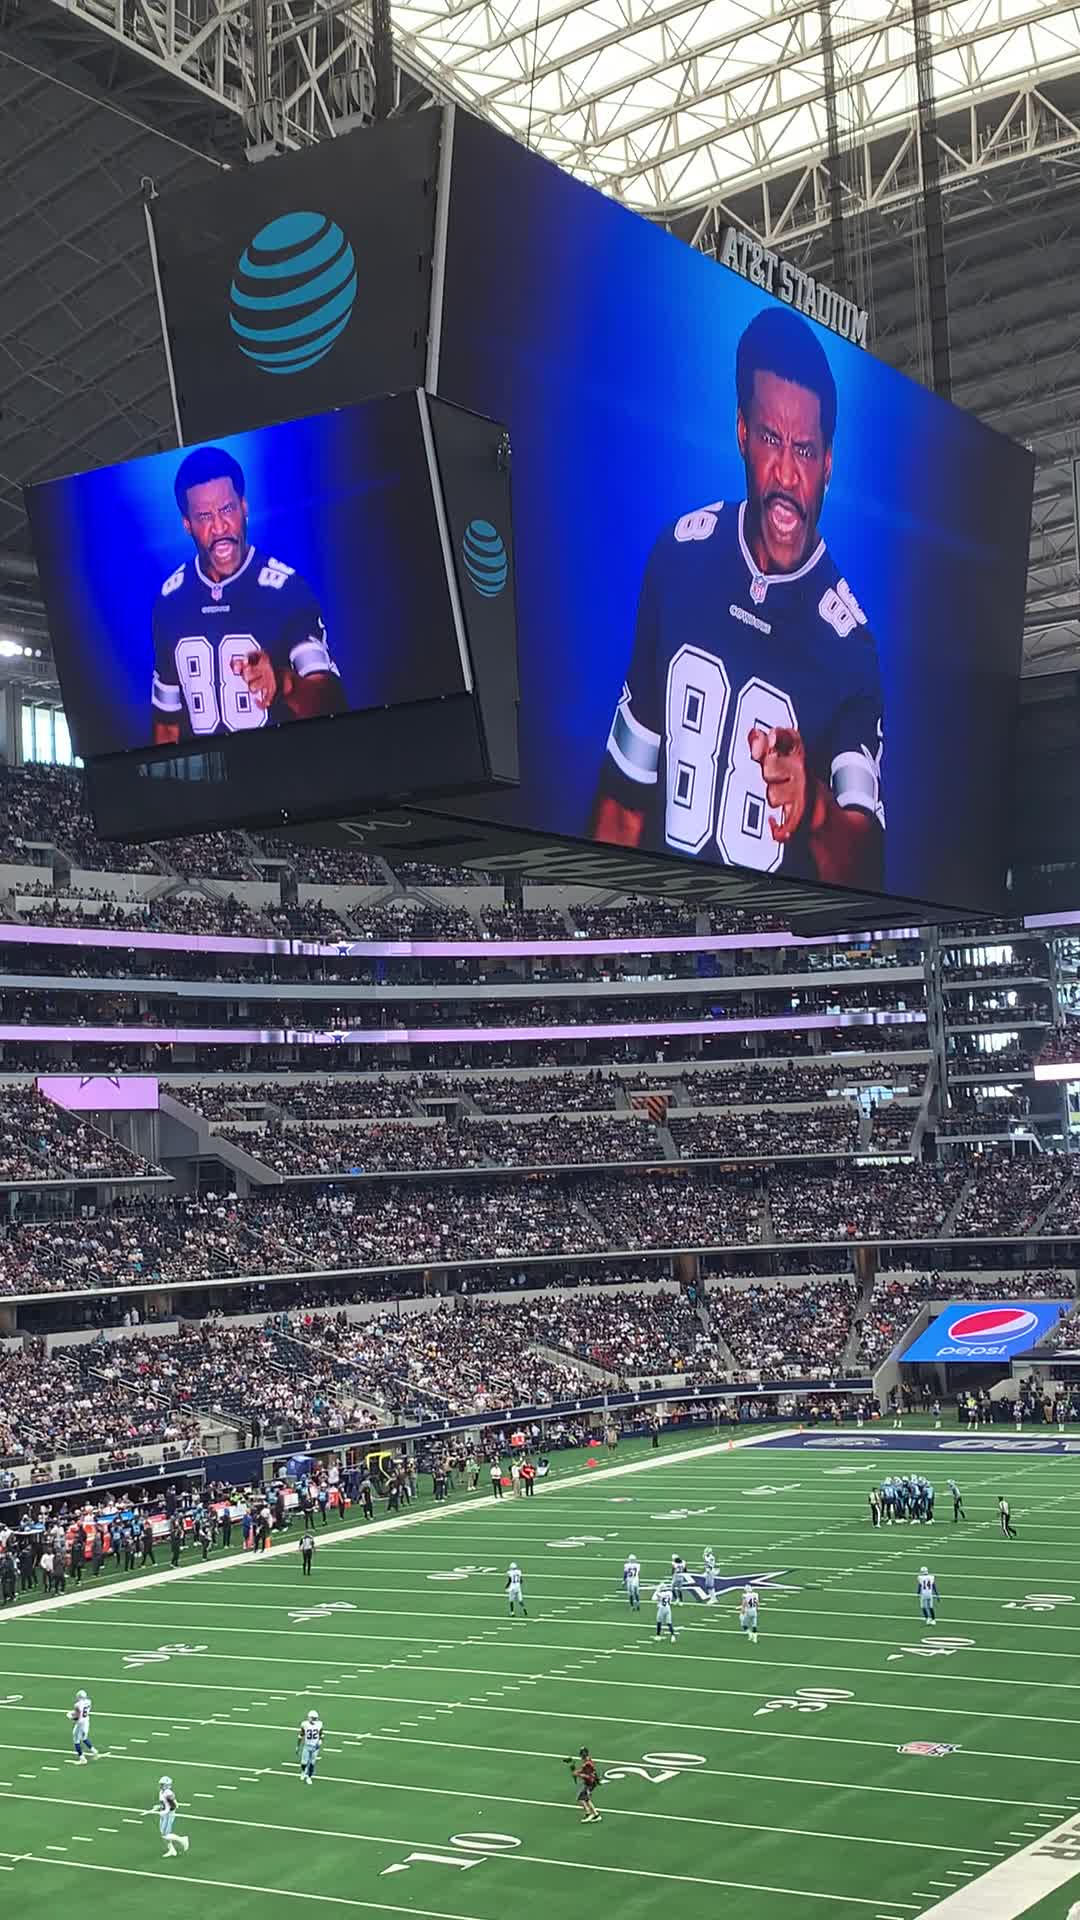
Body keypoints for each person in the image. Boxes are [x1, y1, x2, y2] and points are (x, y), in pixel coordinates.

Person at [592, 305, 884, 889]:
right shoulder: (680, 557)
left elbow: (867, 864)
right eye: (772, 440)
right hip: (660, 938)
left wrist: (816, 809)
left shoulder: (849, 643)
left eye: (804, 450)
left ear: (828, 463)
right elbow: (623, 801)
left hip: (778, 954)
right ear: (743, 434)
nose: (786, 472)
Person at [151, 446, 344, 745]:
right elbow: (167, 726)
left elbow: (330, 702)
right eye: (204, 516)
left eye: (227, 509)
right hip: (211, 784)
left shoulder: (286, 590)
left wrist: (283, 683)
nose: (219, 527)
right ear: (187, 525)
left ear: (244, 507)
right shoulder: (170, 600)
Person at [149, 1776, 189, 1858]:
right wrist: (158, 1807)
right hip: (164, 1814)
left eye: (162, 1784)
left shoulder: (169, 1793)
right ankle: (172, 1850)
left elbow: (174, 1806)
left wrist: (165, 1812)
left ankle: (182, 1839)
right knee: (163, 1833)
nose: (161, 1785)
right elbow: (164, 1804)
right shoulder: (161, 1792)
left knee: (165, 1834)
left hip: (168, 1815)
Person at [569, 1748, 601, 1824]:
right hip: (590, 1782)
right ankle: (594, 1814)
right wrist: (577, 1772)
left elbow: (588, 1776)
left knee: (583, 1798)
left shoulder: (587, 1764)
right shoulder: (587, 1762)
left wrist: (578, 1774)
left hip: (590, 1783)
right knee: (584, 1798)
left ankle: (590, 1814)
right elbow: (583, 1770)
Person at [70, 1689, 97, 1763]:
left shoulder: (77, 1704)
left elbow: (77, 1717)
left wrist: (70, 1716)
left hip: (80, 1723)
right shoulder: (89, 1701)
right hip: (86, 1721)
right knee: (84, 1738)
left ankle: (82, 1758)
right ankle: (94, 1751)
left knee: (76, 1740)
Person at [298, 1708, 324, 1785]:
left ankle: (309, 1777)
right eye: (313, 1718)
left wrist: (320, 1741)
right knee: (303, 1763)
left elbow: (321, 1734)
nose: (314, 1719)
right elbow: (301, 1735)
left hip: (315, 1747)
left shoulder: (319, 1724)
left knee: (312, 1763)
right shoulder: (304, 1724)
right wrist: (298, 1746)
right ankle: (303, 1771)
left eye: (315, 1718)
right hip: (307, 1745)